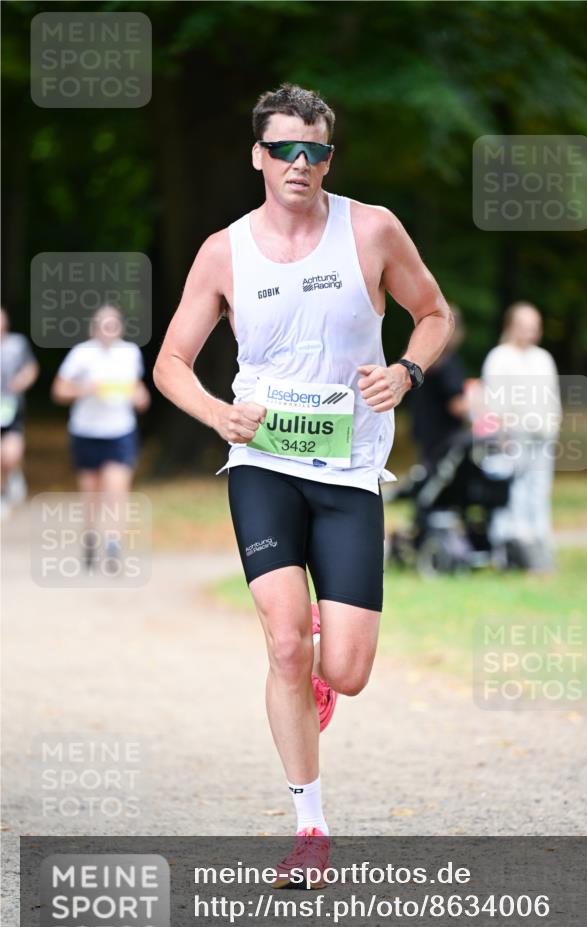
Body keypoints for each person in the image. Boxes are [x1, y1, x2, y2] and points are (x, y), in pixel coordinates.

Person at [153, 82, 452, 883]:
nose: (298, 162)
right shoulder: (224, 251)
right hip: (263, 464)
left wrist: (406, 371)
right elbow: (171, 362)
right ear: (258, 156)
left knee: (344, 669)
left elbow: (434, 314)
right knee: (285, 644)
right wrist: (219, 415)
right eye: (283, 148)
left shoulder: (372, 229)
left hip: (349, 469)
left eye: (312, 150)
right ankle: (310, 828)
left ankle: (320, 654)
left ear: (328, 158)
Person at [51, 303, 150, 568]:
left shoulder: (130, 353)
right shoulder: (81, 354)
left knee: (116, 491)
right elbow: (59, 390)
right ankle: (91, 537)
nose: (108, 329)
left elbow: (138, 390)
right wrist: (87, 388)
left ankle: (113, 543)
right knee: (91, 494)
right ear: (94, 328)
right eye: (103, 325)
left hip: (119, 431)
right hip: (86, 431)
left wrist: (140, 397)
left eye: (113, 324)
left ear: (120, 328)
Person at [481, 302, 561, 572]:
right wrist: (501, 432)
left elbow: (552, 398)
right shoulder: (499, 358)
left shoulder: (543, 358)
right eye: (525, 326)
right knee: (515, 492)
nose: (531, 332)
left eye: (535, 326)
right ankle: (516, 548)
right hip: (513, 437)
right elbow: (494, 401)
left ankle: (540, 544)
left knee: (539, 490)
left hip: (542, 436)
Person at [409, 305, 468, 468]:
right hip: (446, 436)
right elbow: (456, 405)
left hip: (424, 431)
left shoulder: (419, 359)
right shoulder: (449, 363)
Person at [0, 307, 39, 514]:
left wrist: (21, 382)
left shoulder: (17, 344)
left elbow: (31, 368)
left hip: (10, 408)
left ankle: (12, 474)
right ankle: (2, 494)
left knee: (10, 454)